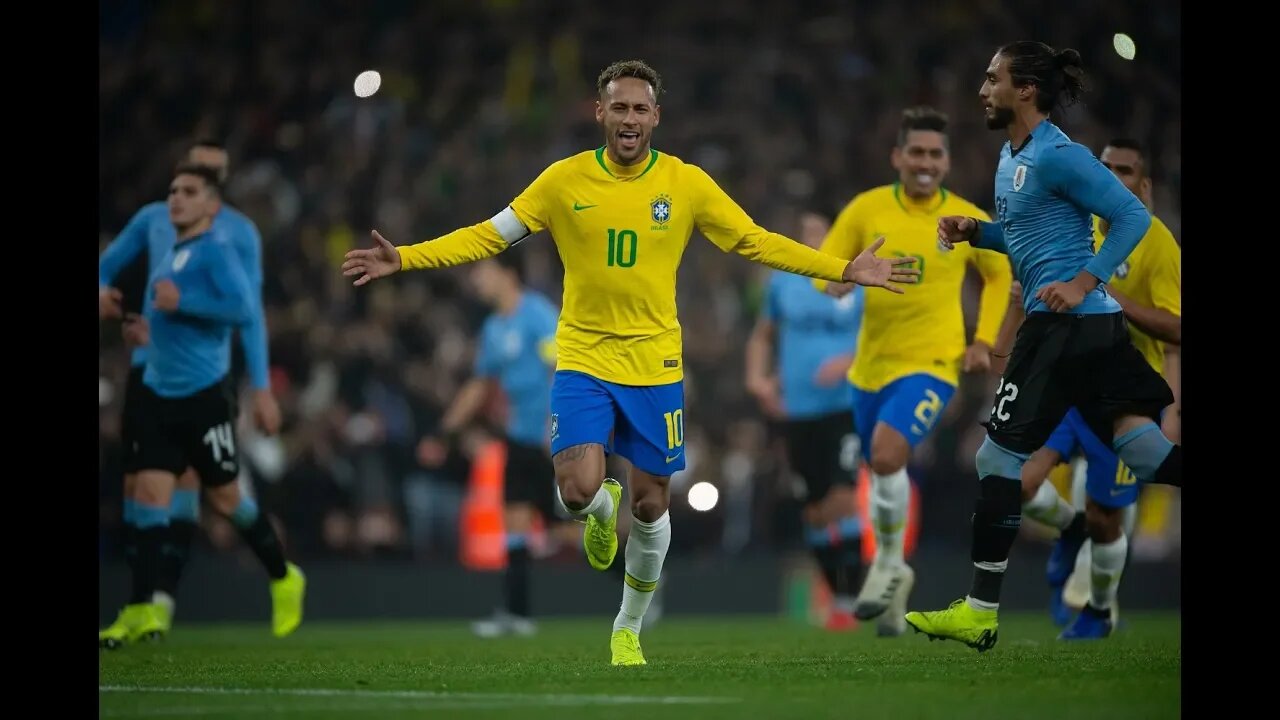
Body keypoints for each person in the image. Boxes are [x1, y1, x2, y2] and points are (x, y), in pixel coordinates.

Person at [342, 59, 919, 665]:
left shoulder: (686, 183)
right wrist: (405, 258)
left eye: (640, 109)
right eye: (619, 107)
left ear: (656, 118)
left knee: (650, 505)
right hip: (584, 358)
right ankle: (597, 510)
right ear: (600, 112)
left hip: (655, 366)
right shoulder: (562, 182)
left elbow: (754, 239)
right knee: (576, 489)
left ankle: (627, 627)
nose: (629, 119)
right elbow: (490, 235)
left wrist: (842, 269)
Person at [904, 41, 1180, 652]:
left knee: (996, 462)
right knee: (1152, 454)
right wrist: (978, 231)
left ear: (1024, 89)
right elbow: (1030, 237)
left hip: (1065, 326)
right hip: (1093, 330)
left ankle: (979, 611)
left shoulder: (1061, 154)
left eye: (991, 77)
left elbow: (1131, 216)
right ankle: (978, 610)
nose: (982, 88)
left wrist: (1085, 279)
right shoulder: (1013, 156)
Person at [816, 107, 1012, 636]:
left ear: (947, 162)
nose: (926, 162)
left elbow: (999, 275)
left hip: (933, 364)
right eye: (917, 152)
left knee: (885, 454)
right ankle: (897, 579)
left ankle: (887, 563)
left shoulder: (967, 218)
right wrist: (837, 281)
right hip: (870, 369)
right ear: (897, 157)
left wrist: (984, 341)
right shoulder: (867, 208)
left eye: (936, 154)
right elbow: (828, 265)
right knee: (883, 467)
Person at [98, 165, 303, 649]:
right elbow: (169, 317)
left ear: (211, 206)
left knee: (227, 500)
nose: (176, 198)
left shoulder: (218, 252)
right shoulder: (172, 252)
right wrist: (144, 332)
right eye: (172, 190)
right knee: (149, 495)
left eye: (188, 192)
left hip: (205, 399)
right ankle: (141, 608)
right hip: (157, 391)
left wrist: (183, 302)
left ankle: (282, 574)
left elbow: (242, 311)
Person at [1015, 138, 1181, 639]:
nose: (1110, 176)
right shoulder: (1076, 225)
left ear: (1143, 186)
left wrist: (1107, 294)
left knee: (1107, 517)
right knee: (1018, 481)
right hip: (1068, 384)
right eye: (1103, 167)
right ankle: (1069, 529)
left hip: (1123, 398)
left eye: (1124, 170)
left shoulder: (1157, 244)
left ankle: (1099, 610)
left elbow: (1175, 330)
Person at [745, 210, 865, 631]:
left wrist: (851, 359)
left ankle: (852, 596)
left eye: (820, 231)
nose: (812, 238)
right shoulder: (784, 282)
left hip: (844, 405)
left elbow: (882, 336)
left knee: (842, 498)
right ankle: (839, 598)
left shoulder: (855, 279)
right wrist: (758, 379)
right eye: (806, 232)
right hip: (797, 410)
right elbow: (763, 334)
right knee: (814, 511)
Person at [436, 251, 565, 638]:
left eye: (484, 271)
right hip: (519, 439)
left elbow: (558, 367)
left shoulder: (537, 314)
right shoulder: (493, 328)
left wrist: (554, 428)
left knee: (567, 525)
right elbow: (481, 384)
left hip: (548, 438)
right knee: (517, 523)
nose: (477, 280)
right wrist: (446, 430)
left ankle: (640, 578)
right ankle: (517, 613)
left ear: (509, 274)